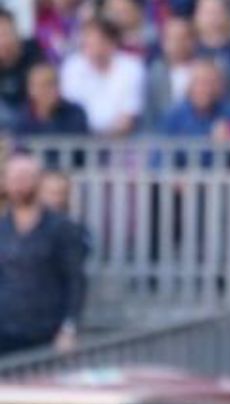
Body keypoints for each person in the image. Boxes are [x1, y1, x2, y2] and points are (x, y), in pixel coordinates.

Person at [0, 153, 86, 355]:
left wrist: (69, 328)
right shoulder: (2, 228)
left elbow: (75, 280)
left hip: (47, 331)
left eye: (26, 177)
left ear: (39, 180)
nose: (20, 185)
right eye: (14, 178)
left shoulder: (62, 228)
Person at [59, 18, 145, 136]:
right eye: (87, 42)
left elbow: (128, 118)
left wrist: (99, 144)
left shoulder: (132, 67)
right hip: (80, 144)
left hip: (121, 144)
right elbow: (68, 113)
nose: (90, 47)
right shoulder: (72, 66)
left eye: (97, 42)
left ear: (112, 42)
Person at [15, 62, 89, 135]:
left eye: (51, 84)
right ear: (30, 89)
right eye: (41, 85)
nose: (47, 90)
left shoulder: (75, 115)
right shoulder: (20, 119)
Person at [160, 59, 230, 136]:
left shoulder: (229, 116)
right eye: (200, 83)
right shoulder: (174, 116)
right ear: (190, 86)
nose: (205, 90)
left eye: (210, 83)